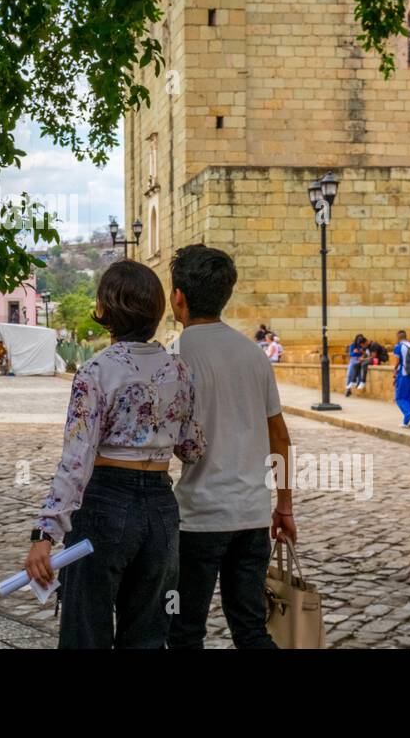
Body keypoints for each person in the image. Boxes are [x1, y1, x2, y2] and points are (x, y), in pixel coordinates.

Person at [24, 260, 204, 649]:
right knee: (147, 637)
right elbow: (191, 448)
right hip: (160, 506)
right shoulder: (179, 370)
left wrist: (45, 532)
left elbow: (77, 459)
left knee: (85, 633)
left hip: (104, 503)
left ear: (104, 310)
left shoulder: (95, 371)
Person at [165, 245, 295, 650]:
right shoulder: (254, 356)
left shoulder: (175, 355)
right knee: (251, 629)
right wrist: (284, 505)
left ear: (178, 297)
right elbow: (280, 438)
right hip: (252, 515)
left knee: (185, 630)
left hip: (198, 519)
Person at [393, 330, 410, 428]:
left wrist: (394, 372)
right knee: (409, 398)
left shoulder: (398, 346)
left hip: (403, 375)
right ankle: (407, 422)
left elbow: (397, 362)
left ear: (398, 337)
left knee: (399, 397)